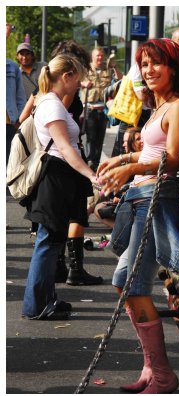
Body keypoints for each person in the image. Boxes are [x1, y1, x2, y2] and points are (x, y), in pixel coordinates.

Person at [97, 38, 179, 393]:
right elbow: (154, 149)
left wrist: (132, 165)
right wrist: (121, 161)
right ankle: (151, 369)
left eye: (156, 63)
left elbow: (173, 159)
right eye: (144, 64)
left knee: (133, 284)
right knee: (125, 282)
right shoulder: (159, 106)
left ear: (173, 67)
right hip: (140, 197)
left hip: (155, 198)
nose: (149, 70)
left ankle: (164, 376)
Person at [21, 54, 102, 320]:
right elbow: (64, 147)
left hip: (57, 178)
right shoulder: (53, 106)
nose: (79, 85)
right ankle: (36, 305)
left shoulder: (47, 101)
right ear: (66, 77)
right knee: (47, 243)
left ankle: (45, 300)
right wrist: (90, 174)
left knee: (51, 241)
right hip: (55, 178)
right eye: (77, 79)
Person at [81, 47, 123, 171]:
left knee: (100, 139)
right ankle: (89, 162)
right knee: (91, 138)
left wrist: (114, 67)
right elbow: (77, 80)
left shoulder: (109, 69)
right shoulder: (85, 69)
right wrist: (83, 83)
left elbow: (120, 79)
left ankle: (95, 165)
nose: (99, 58)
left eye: (101, 56)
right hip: (90, 109)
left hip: (104, 110)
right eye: (97, 56)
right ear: (92, 57)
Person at [6, 24, 26, 166]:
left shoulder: (12, 67)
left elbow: (20, 97)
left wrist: (19, 120)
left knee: (9, 165)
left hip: (9, 124)